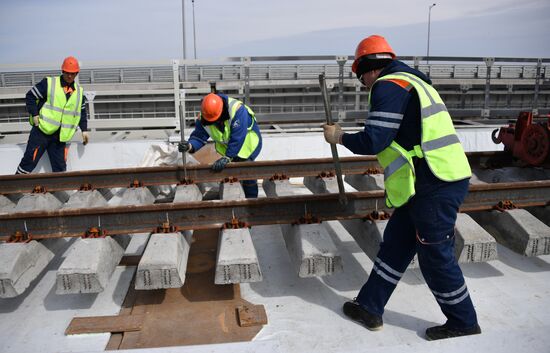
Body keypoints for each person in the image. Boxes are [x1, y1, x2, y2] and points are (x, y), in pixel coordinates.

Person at [322, 35, 481, 341]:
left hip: (436, 182)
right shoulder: (414, 82)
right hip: (425, 181)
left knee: (435, 254)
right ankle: (370, 306)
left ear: (369, 68)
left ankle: (463, 321)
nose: (364, 84)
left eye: (361, 77)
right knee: (396, 243)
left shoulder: (390, 84)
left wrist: (339, 137)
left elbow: (375, 139)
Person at [178, 93, 262, 198]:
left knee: (247, 173)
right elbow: (199, 137)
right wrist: (189, 146)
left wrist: (227, 157)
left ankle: (252, 200)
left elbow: (238, 137)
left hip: (248, 146)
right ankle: (237, 198)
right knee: (232, 175)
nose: (214, 122)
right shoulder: (205, 117)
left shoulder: (237, 110)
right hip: (230, 150)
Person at [15, 56, 88, 174]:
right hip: (41, 132)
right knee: (29, 161)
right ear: (63, 71)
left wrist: (84, 130)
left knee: (60, 168)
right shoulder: (49, 83)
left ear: (76, 73)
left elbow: (82, 112)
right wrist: (34, 114)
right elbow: (30, 96)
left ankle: (59, 190)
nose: (70, 76)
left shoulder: (79, 93)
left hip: (59, 137)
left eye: (73, 73)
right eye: (67, 73)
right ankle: (15, 187)